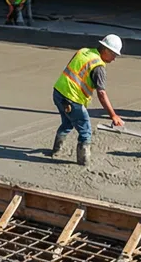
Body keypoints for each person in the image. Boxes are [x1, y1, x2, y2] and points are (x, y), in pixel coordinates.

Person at [52, 35, 125, 165]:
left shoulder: (83, 51)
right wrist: (113, 115)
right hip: (72, 99)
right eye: (114, 55)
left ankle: (56, 150)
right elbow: (101, 93)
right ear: (106, 50)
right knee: (85, 131)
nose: (114, 59)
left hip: (58, 92)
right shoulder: (98, 67)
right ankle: (83, 161)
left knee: (67, 123)